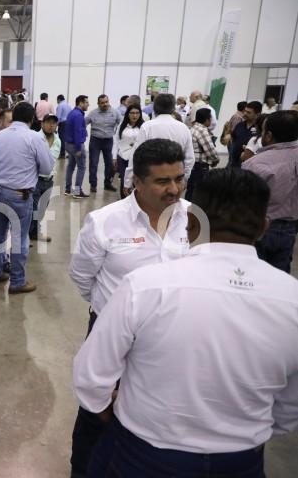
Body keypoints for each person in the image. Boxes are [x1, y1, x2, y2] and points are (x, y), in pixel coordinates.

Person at [74, 168, 298, 478]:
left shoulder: (145, 286)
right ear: (263, 228)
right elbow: (289, 407)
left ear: (191, 223)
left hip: (144, 454)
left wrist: (111, 410)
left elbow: (91, 375)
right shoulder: (291, 298)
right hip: (240, 461)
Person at [68, 139, 190, 476]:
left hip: (173, 338)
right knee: (96, 413)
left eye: (179, 178)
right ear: (136, 180)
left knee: (156, 413)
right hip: (113, 337)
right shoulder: (105, 221)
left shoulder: (193, 218)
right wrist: (110, 314)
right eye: (162, 181)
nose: (174, 188)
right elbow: (82, 276)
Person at [0, 102, 54, 294]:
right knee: (19, 238)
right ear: (32, 119)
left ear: (13, 117)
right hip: (19, 194)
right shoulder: (34, 139)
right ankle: (17, 281)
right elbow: (47, 169)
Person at [243, 110, 298, 273]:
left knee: (254, 276)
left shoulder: (254, 164)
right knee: (279, 278)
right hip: (289, 229)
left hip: (258, 227)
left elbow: (243, 201)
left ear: (268, 135)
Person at [123, 94, 194, 193]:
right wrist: (183, 179)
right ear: (173, 108)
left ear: (155, 108)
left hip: (151, 179)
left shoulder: (147, 127)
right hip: (174, 180)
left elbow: (136, 155)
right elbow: (190, 159)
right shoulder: (183, 128)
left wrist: (128, 181)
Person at [29, 114, 61, 241]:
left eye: (54, 123)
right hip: (36, 179)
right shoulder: (35, 138)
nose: (51, 125)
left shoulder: (58, 140)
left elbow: (52, 160)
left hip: (49, 180)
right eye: (48, 122)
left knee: (41, 209)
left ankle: (33, 232)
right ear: (42, 124)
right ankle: (30, 233)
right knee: (33, 208)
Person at [85, 94, 121, 193]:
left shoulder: (115, 113)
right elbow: (83, 124)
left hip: (108, 141)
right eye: (102, 103)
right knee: (93, 163)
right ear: (98, 104)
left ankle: (107, 184)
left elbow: (121, 124)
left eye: (106, 102)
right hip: (95, 141)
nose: (105, 104)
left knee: (109, 164)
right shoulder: (93, 113)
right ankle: (93, 185)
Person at [185, 107, 220, 201]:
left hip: (192, 165)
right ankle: (194, 214)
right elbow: (210, 150)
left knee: (190, 191)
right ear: (207, 120)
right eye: (211, 118)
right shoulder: (202, 130)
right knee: (198, 194)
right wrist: (216, 160)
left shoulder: (192, 128)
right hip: (200, 167)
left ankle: (187, 213)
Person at [112, 104, 143, 199]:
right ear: (128, 114)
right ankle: (124, 200)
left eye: (137, 113)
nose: (135, 115)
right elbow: (116, 141)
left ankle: (135, 201)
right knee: (124, 180)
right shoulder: (122, 125)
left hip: (137, 159)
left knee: (135, 181)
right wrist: (114, 157)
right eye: (132, 113)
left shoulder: (143, 126)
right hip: (123, 156)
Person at [64, 95, 90, 198]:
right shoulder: (78, 115)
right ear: (81, 103)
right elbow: (77, 132)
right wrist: (79, 149)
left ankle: (68, 189)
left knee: (71, 166)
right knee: (81, 167)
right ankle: (77, 191)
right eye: (86, 102)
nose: (88, 104)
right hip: (76, 145)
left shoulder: (72, 113)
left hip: (69, 144)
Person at [228, 100, 262, 168]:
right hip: (234, 163)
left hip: (249, 165)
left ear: (257, 114)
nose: (245, 114)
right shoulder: (239, 125)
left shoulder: (261, 128)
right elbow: (233, 138)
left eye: (249, 112)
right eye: (245, 111)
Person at [56, 94, 72, 158]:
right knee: (67, 139)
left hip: (63, 124)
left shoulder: (60, 105)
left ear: (59, 99)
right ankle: (69, 153)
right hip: (68, 123)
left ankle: (62, 154)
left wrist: (56, 125)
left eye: (57, 100)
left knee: (62, 139)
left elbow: (58, 117)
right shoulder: (68, 105)